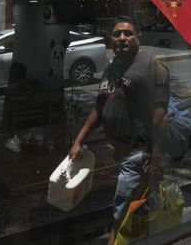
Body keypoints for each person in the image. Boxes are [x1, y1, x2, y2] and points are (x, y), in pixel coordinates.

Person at [69, 15, 169, 245]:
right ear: (110, 39)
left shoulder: (153, 68)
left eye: (128, 33)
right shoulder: (112, 68)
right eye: (116, 34)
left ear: (138, 38)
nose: (122, 38)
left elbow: (161, 116)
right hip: (117, 151)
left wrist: (156, 156)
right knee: (129, 213)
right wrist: (78, 141)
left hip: (139, 154)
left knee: (123, 212)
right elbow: (99, 107)